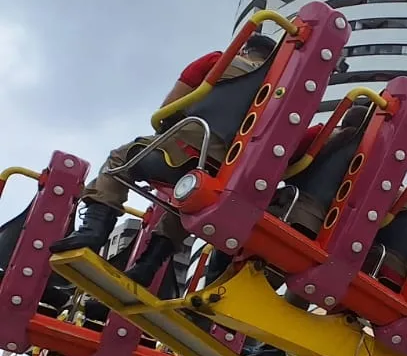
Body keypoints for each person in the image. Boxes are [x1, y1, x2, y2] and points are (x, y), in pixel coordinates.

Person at [51, 33, 281, 286]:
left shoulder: (219, 60)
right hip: (222, 173)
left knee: (118, 159)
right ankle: (147, 266)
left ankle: (93, 231)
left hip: (180, 150)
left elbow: (167, 109)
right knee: (190, 202)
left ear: (245, 51)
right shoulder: (276, 94)